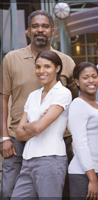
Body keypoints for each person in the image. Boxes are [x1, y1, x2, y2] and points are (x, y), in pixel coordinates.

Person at [0, 10, 77, 198]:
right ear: (28, 31)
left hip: (57, 140)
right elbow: (3, 98)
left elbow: (76, 101)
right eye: (35, 26)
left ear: (53, 31)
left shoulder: (66, 61)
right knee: (8, 191)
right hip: (16, 141)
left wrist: (76, 136)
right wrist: (4, 137)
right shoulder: (11, 58)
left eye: (44, 26)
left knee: (56, 190)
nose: (39, 30)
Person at [11, 50, 72, 198]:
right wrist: (37, 123)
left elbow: (37, 127)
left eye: (47, 66)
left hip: (51, 159)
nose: (41, 71)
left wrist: (31, 125)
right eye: (38, 67)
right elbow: (18, 135)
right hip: (28, 159)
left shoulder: (62, 93)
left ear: (57, 68)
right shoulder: (33, 95)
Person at [68, 62, 98, 200]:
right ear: (77, 82)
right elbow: (80, 144)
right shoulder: (78, 104)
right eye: (85, 77)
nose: (91, 80)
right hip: (85, 174)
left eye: (94, 76)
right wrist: (92, 179)